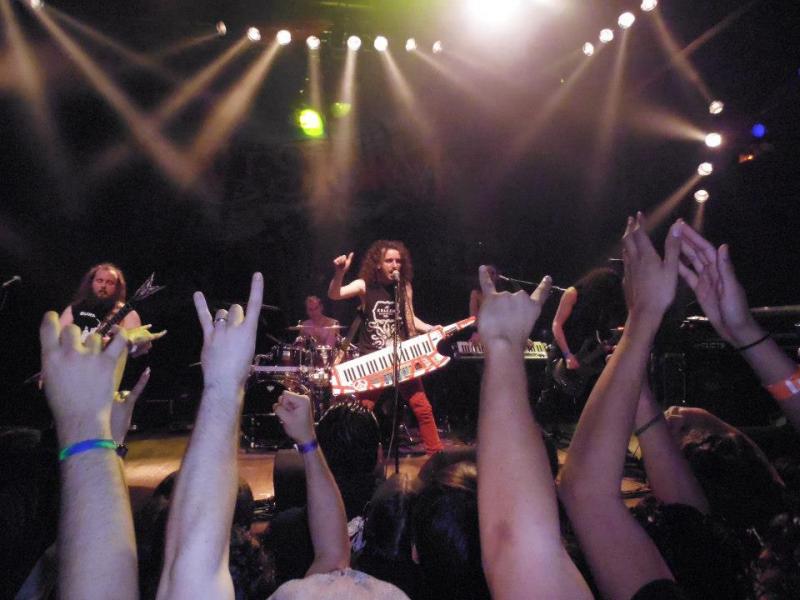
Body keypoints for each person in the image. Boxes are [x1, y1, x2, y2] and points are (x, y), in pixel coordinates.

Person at [328, 240, 443, 455]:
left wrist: (429, 327)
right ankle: (358, 456)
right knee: (363, 411)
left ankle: (437, 458)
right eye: (389, 260)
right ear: (378, 264)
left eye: (398, 261)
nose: (395, 265)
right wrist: (339, 273)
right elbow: (335, 294)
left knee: (422, 407)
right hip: (374, 360)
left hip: (401, 358)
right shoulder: (364, 285)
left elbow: (410, 319)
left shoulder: (404, 286)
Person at [59, 263, 164, 357]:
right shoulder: (74, 309)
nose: (103, 286)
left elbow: (135, 351)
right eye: (100, 281)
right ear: (91, 283)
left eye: (110, 282)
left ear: (117, 287)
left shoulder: (128, 314)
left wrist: (116, 344)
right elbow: (55, 339)